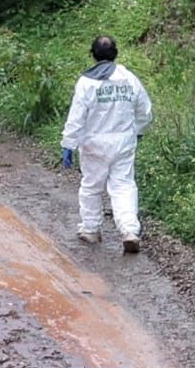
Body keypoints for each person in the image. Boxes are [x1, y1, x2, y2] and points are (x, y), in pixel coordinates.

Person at [60, 35, 153, 255]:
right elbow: (145, 111)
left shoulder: (87, 83)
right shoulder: (129, 79)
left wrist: (68, 144)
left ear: (92, 55)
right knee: (123, 186)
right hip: (123, 142)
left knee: (92, 186)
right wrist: (138, 131)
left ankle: (91, 229)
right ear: (115, 53)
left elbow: (76, 117)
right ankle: (129, 231)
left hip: (94, 144)